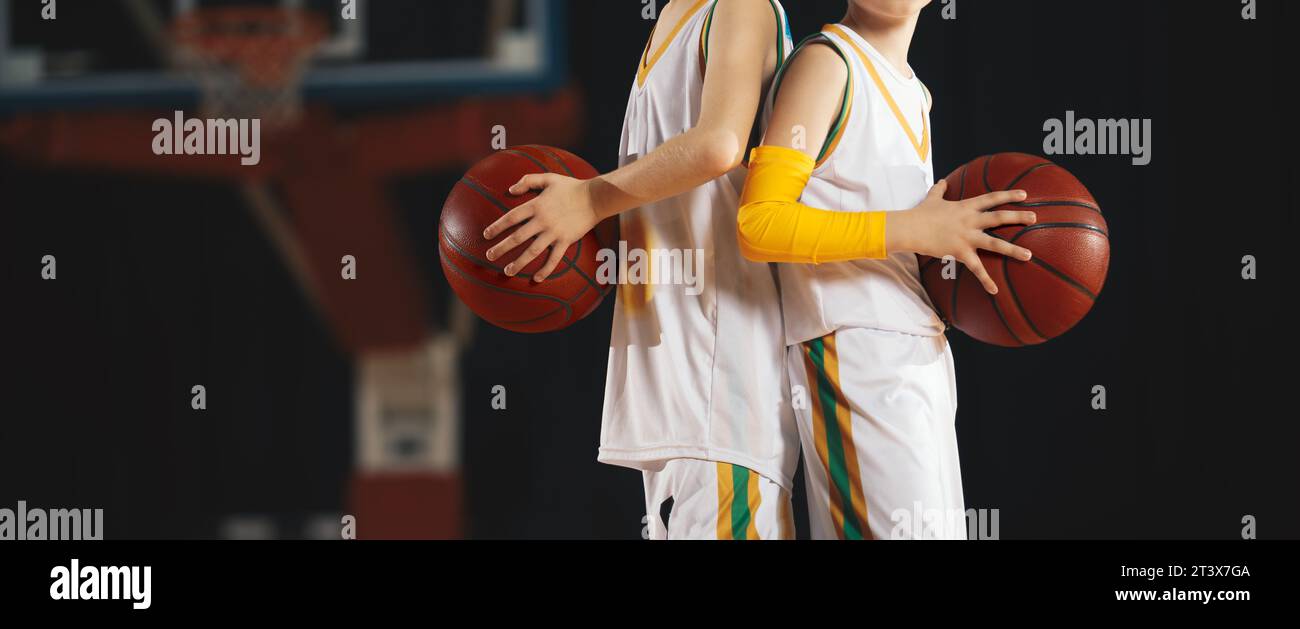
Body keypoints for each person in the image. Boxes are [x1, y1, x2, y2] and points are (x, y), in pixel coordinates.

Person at [482, 0, 797, 540]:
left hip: (723, 385)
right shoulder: (676, 15)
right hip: (678, 391)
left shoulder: (741, 7)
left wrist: (591, 199)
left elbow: (719, 143)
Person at [737, 0, 1036, 539]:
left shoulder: (914, 91)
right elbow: (760, 224)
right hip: (852, 350)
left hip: (920, 353)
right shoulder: (828, 63)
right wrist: (915, 229)